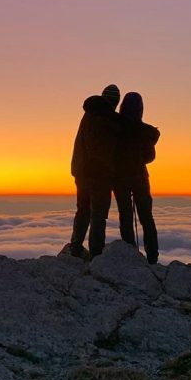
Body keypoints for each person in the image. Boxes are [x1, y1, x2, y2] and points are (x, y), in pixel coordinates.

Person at [69, 84, 121, 258]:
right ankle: (96, 253)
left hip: (81, 171)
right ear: (114, 102)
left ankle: (75, 247)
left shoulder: (89, 114)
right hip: (98, 174)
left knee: (83, 209)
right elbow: (102, 148)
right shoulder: (105, 118)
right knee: (98, 213)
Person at [113, 91, 160, 263]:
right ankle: (153, 258)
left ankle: (130, 256)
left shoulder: (115, 127)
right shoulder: (145, 132)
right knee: (146, 217)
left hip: (119, 178)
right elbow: (150, 157)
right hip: (140, 177)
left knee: (125, 216)